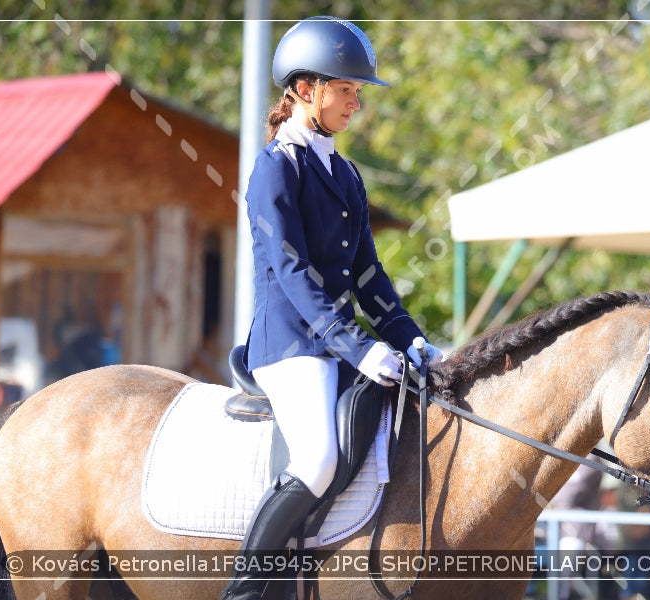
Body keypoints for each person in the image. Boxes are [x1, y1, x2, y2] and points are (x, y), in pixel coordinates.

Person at [222, 16, 441, 600]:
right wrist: (359, 346)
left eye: (357, 93)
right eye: (347, 91)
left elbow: (367, 273)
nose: (355, 104)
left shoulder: (343, 172)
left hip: (334, 345)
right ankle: (244, 593)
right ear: (305, 89)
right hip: (289, 345)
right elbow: (291, 270)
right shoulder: (276, 167)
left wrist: (407, 335)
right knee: (317, 459)